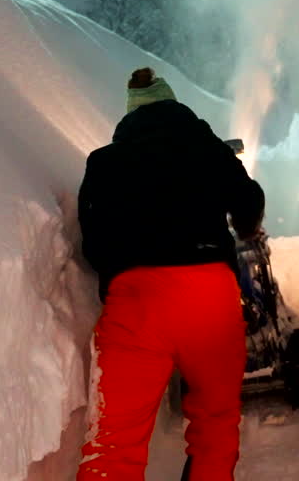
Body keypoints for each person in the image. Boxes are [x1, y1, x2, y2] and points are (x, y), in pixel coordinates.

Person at [77, 67, 265, 481]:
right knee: (215, 421)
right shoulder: (208, 148)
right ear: (174, 105)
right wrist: (244, 227)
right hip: (209, 298)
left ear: (129, 117)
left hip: (136, 304)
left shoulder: (103, 163)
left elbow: (93, 245)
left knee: (113, 442)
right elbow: (249, 204)